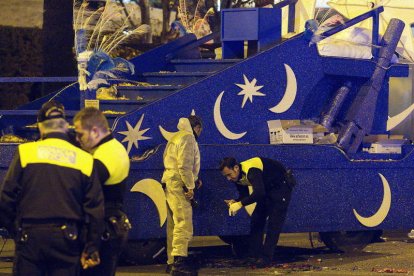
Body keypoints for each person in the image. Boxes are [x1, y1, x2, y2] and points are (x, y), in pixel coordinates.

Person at [0, 100, 104, 276]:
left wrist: (16, 229)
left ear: (41, 127)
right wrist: (91, 246)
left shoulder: (25, 153)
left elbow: (6, 198)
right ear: (64, 126)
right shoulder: (84, 159)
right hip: (67, 239)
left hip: (31, 237)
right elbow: (95, 210)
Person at [73, 107, 131, 276]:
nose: (78, 139)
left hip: (103, 231)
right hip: (109, 228)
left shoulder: (107, 155)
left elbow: (82, 191)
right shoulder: (110, 149)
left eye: (80, 134)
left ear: (95, 131)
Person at [219, 156, 294, 267]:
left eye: (229, 175)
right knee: (256, 220)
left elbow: (259, 192)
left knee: (274, 224)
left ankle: (266, 258)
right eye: (226, 176)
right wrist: (235, 201)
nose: (228, 179)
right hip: (267, 188)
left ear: (236, 168)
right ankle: (253, 256)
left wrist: (239, 204)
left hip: (281, 186)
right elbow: (245, 195)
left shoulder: (251, 171)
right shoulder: (237, 177)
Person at [162, 115, 203, 276]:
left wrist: (195, 179)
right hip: (179, 184)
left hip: (169, 182)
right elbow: (184, 165)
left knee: (173, 224)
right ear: (196, 127)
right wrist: (189, 186)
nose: (199, 132)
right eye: (200, 129)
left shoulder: (176, 136)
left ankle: (171, 262)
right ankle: (179, 264)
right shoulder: (188, 138)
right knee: (183, 223)